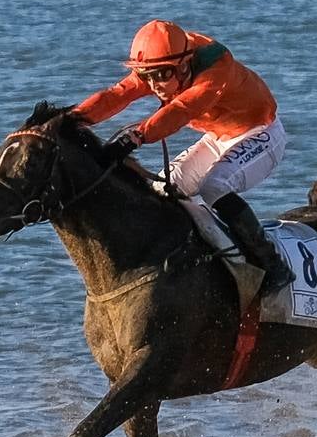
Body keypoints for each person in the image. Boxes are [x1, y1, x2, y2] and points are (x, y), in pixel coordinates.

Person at [70, 19, 294, 293]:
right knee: (164, 188)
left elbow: (182, 109)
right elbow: (117, 95)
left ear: (185, 64)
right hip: (219, 136)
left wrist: (137, 136)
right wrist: (72, 119)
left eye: (161, 75)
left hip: (261, 132)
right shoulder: (163, 62)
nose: (154, 85)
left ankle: (273, 265)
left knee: (214, 187)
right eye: (147, 76)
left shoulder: (216, 68)